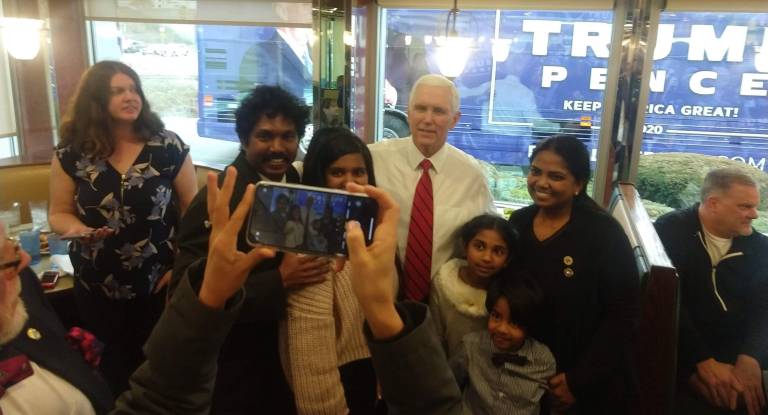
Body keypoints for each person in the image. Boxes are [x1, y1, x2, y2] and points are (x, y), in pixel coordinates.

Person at [171, 85, 329, 414]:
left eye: (288, 136)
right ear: (244, 140)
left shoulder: (296, 186)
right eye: (264, 136)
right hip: (237, 365)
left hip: (289, 354)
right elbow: (185, 292)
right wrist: (278, 281)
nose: (277, 147)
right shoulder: (218, 199)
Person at [48, 60, 198, 395]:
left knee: (159, 372)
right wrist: (79, 230)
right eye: (118, 91)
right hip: (96, 285)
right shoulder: (73, 153)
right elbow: (58, 213)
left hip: (158, 283)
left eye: (133, 89)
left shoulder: (167, 147)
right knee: (112, 372)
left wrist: (182, 267)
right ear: (96, 100)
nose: (130, 97)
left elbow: (194, 214)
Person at [507, 135, 640, 413]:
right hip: (524, 372)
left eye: (556, 176)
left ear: (578, 184)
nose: (542, 182)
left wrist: (577, 381)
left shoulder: (603, 234)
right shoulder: (518, 223)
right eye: (535, 172)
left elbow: (623, 315)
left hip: (581, 380)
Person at [369, 73, 495, 302]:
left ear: (454, 119)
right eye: (420, 108)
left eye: (438, 111)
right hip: (380, 297)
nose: (427, 119)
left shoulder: (472, 176)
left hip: (442, 307)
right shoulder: (374, 159)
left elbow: (491, 237)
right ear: (408, 112)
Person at [279, 126, 378, 414]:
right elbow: (310, 357)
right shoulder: (310, 242)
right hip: (338, 380)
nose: (350, 182)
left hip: (374, 373)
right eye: (337, 172)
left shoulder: (373, 230)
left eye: (359, 172)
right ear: (319, 175)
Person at [654, 168, 768, 415]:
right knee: (730, 399)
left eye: (755, 206)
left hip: (739, 350)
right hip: (688, 352)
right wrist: (701, 361)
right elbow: (671, 303)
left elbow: (764, 308)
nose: (754, 214)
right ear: (713, 204)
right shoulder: (671, 231)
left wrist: (751, 358)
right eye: (745, 207)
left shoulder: (760, 248)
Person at [450, 274, 556, 415]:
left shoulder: (544, 361)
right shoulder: (470, 346)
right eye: (496, 316)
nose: (502, 329)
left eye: (514, 322)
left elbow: (552, 405)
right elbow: (448, 386)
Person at [429, 214, 517, 358]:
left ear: (508, 259)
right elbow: (435, 336)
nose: (487, 258)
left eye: (498, 251)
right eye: (479, 246)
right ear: (465, 247)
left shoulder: (508, 294)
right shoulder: (442, 283)